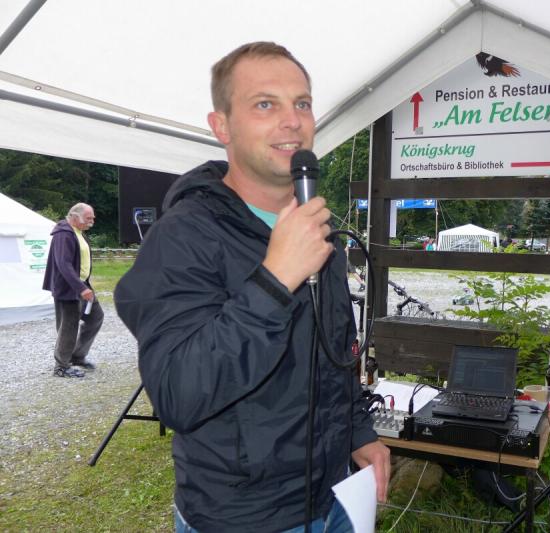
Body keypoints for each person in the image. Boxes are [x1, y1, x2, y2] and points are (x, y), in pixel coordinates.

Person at [114, 42, 390, 532]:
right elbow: (178, 394)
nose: (293, 121)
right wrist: (274, 280)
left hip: (334, 498)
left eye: (302, 103)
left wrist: (357, 431)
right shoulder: (182, 236)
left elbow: (331, 356)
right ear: (221, 126)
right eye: (265, 104)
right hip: (245, 516)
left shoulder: (314, 228)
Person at [43, 203, 103, 378]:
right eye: (89, 218)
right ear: (75, 217)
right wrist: (81, 288)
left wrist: (84, 286)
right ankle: (61, 367)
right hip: (68, 288)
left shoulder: (78, 232)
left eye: (93, 218)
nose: (92, 221)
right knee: (69, 327)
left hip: (82, 285)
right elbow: (64, 264)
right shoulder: (63, 234)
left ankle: (77, 356)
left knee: (95, 318)